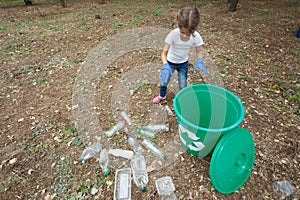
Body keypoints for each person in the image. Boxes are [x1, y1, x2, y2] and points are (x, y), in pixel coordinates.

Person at [153, 6, 207, 103]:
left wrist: (199, 60)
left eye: (188, 33)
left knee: (183, 84)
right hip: (170, 62)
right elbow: (164, 53)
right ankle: (162, 95)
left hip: (183, 64)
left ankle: (182, 99)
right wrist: (165, 65)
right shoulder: (173, 34)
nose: (184, 35)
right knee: (164, 81)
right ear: (178, 24)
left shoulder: (196, 36)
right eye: (182, 32)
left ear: (193, 29)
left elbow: (198, 51)